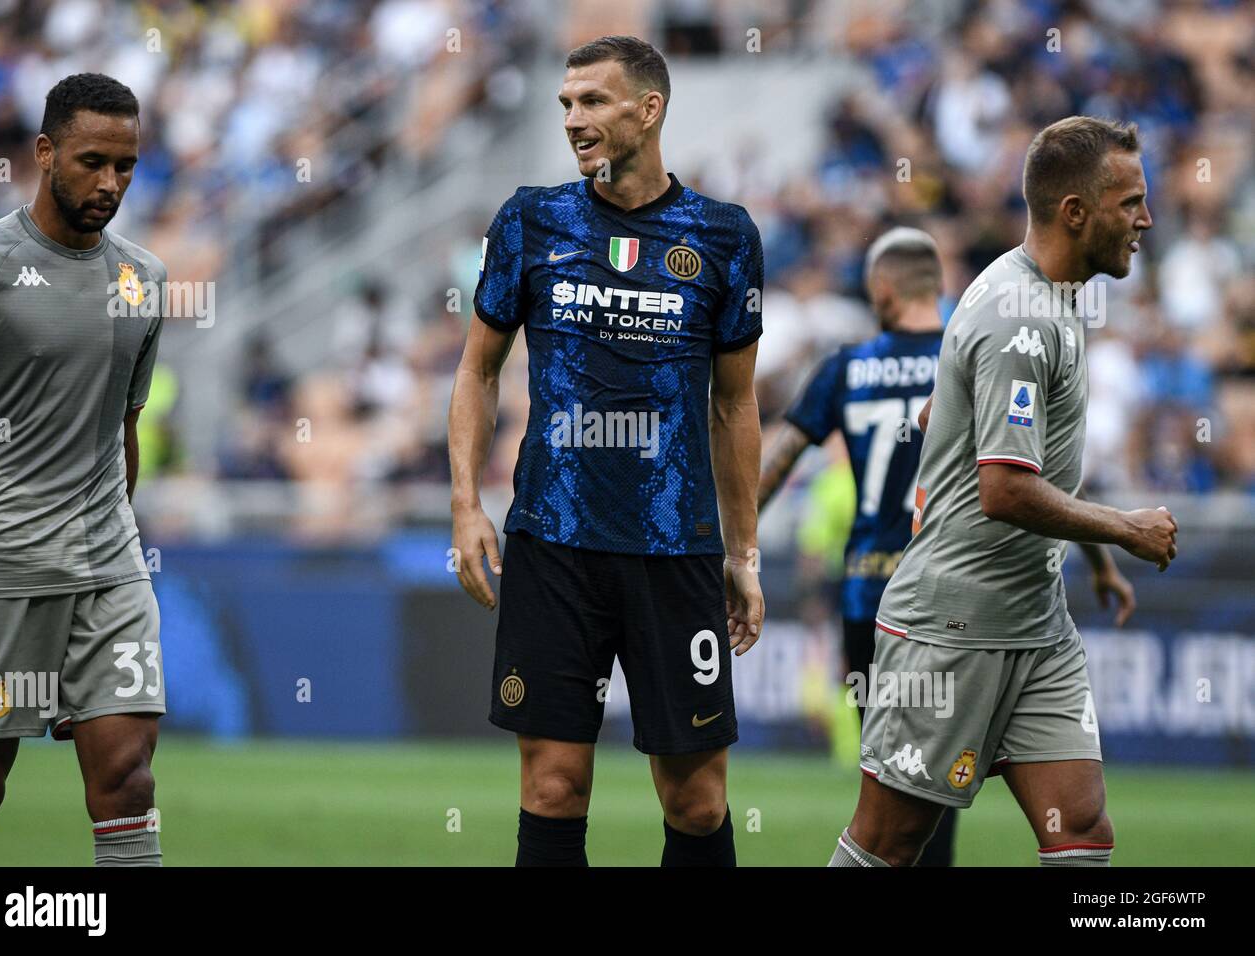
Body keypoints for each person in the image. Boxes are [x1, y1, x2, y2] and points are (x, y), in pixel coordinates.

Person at [448, 35, 764, 866]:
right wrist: (465, 506)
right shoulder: (530, 219)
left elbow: (734, 406)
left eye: (592, 102)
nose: (573, 119)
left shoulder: (723, 237)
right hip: (553, 544)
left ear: (647, 109)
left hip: (675, 549)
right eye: (565, 105)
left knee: (697, 803)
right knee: (553, 786)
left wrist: (746, 550)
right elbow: (478, 372)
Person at [830, 116, 1168, 868]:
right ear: (1075, 212)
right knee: (891, 841)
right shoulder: (1016, 319)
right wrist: (1124, 530)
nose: (1146, 219)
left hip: (1035, 625)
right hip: (952, 626)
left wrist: (1098, 562)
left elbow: (984, 437)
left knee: (1080, 828)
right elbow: (1007, 491)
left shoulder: (1055, 301)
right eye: (1132, 202)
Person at [0, 73, 167, 866]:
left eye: (126, 166)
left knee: (127, 778)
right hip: (3, 566)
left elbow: (125, 426)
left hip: (109, 565)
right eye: (91, 162)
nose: (110, 183)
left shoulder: (143, 278)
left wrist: (120, 531)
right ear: (44, 154)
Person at [759, 226, 963, 864]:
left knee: (885, 777)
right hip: (947, 600)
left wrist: (731, 549)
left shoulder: (848, 366)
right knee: (939, 776)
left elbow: (779, 461)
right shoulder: (969, 358)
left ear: (881, 289)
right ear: (938, 286)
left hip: (866, 602)